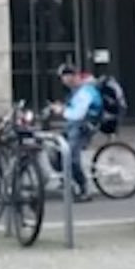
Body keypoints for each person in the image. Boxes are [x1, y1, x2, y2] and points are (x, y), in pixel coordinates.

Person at [50, 63, 101, 201]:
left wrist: (62, 111)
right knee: (54, 150)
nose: (62, 81)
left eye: (64, 77)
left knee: (72, 157)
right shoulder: (76, 90)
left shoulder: (86, 90)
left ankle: (84, 187)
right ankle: (67, 180)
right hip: (74, 125)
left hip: (85, 126)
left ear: (72, 76)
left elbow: (78, 114)